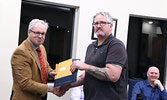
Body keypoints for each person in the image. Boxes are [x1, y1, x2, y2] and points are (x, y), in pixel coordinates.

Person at [58, 11, 128, 100]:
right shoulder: (91, 47)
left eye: (102, 23)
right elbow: (89, 74)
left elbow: (113, 75)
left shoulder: (116, 45)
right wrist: (68, 84)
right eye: (96, 23)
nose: (99, 26)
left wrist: (85, 66)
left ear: (111, 26)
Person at [10, 19, 59, 100]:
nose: (40, 36)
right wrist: (50, 88)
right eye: (37, 32)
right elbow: (25, 83)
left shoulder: (41, 48)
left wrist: (51, 72)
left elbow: (45, 66)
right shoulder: (21, 52)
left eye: (43, 33)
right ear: (29, 32)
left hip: (40, 96)